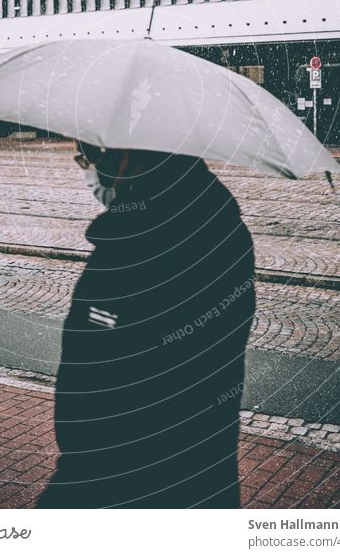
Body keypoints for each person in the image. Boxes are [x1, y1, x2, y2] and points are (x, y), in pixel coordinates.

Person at [36, 143, 255, 509]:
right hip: (202, 473)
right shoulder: (219, 224)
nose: (90, 172)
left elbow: (97, 375)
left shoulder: (133, 245)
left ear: (129, 159)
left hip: (120, 478)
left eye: (92, 160)